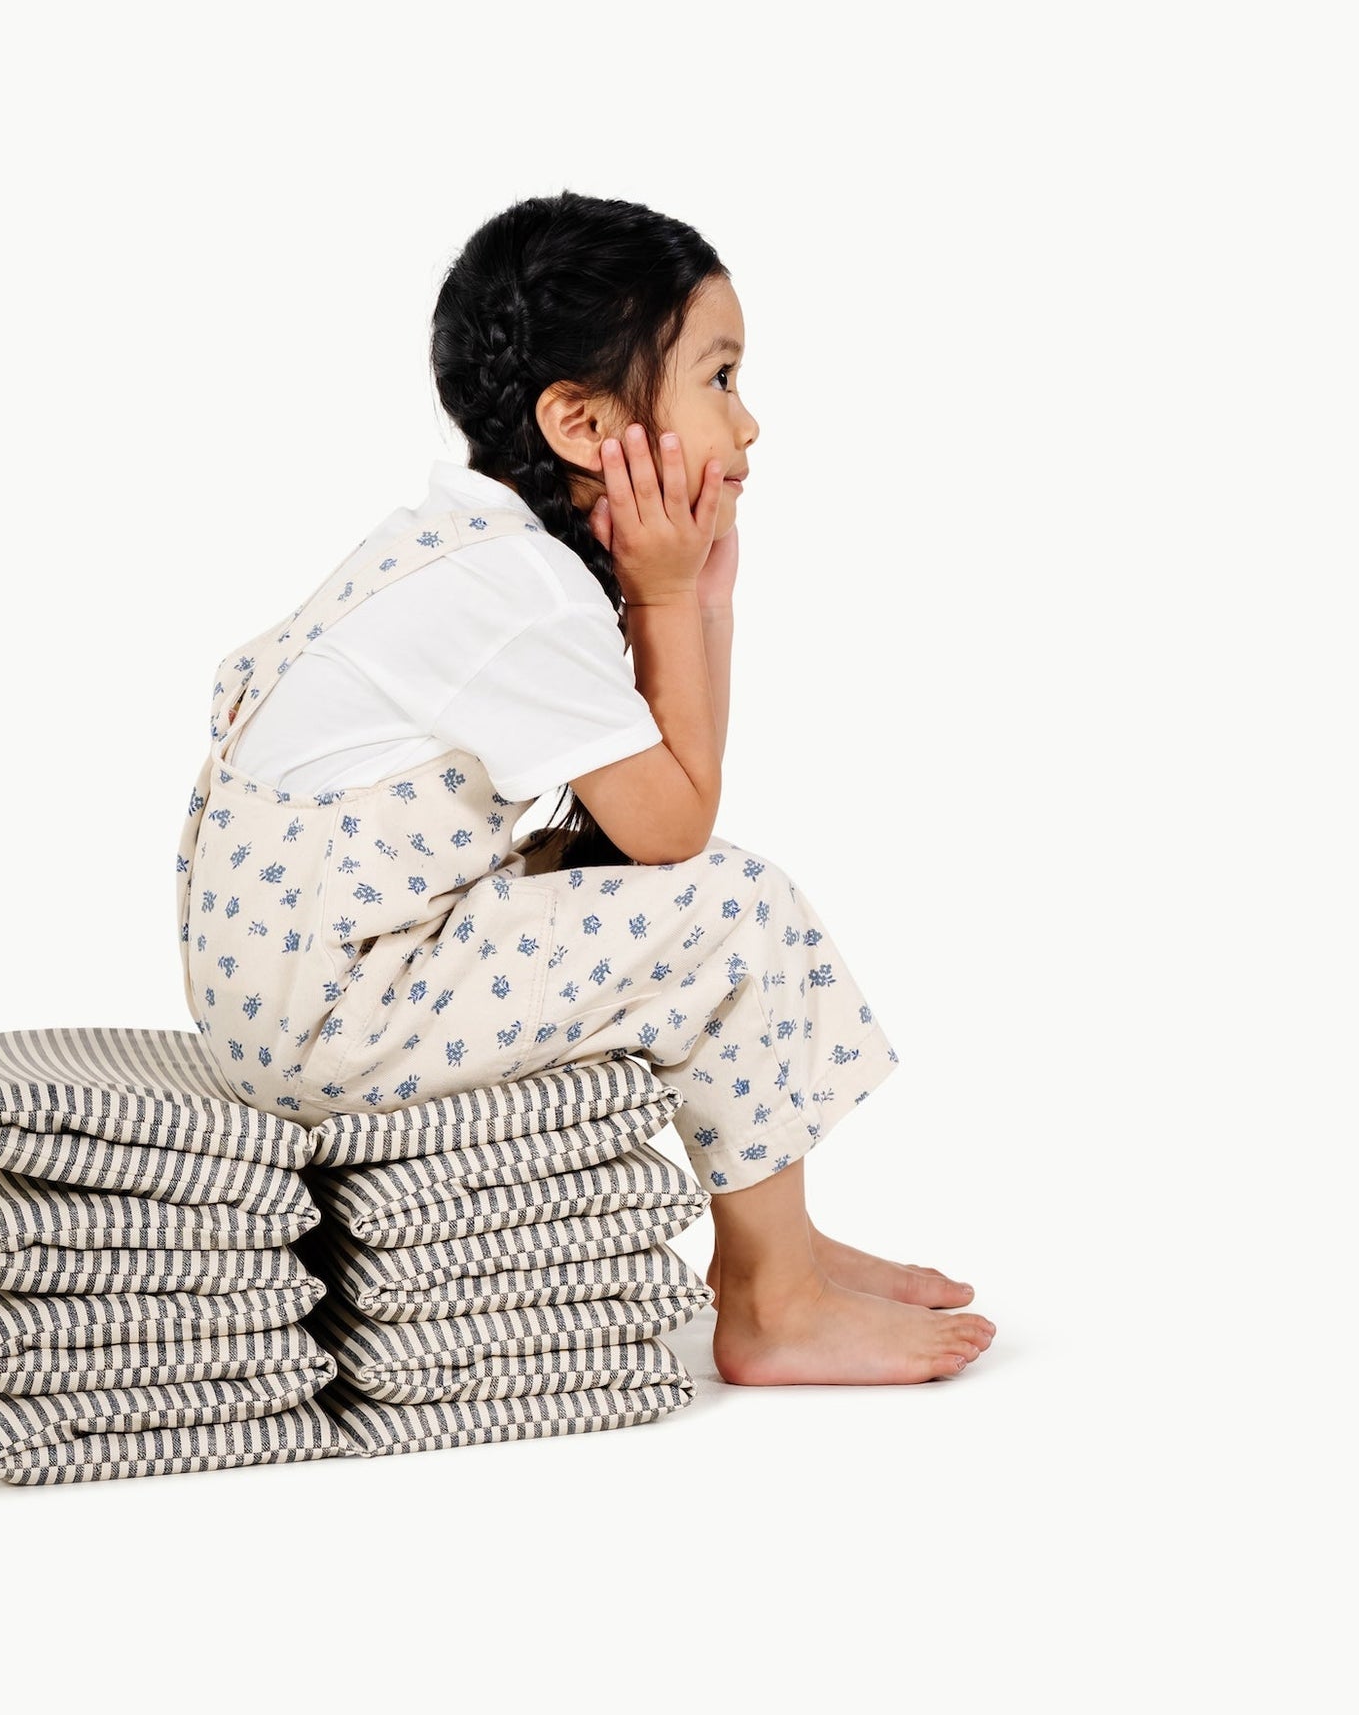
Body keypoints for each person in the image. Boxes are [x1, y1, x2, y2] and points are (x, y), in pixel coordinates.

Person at [174, 191, 994, 1386]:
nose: (749, 421)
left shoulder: (477, 545)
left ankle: (780, 1242)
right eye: (719, 376)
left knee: (612, 871)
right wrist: (680, 600)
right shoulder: (519, 591)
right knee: (734, 911)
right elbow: (675, 825)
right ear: (578, 419)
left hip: (305, 978)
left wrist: (692, 593)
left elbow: (635, 823)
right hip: (331, 1016)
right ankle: (770, 1301)